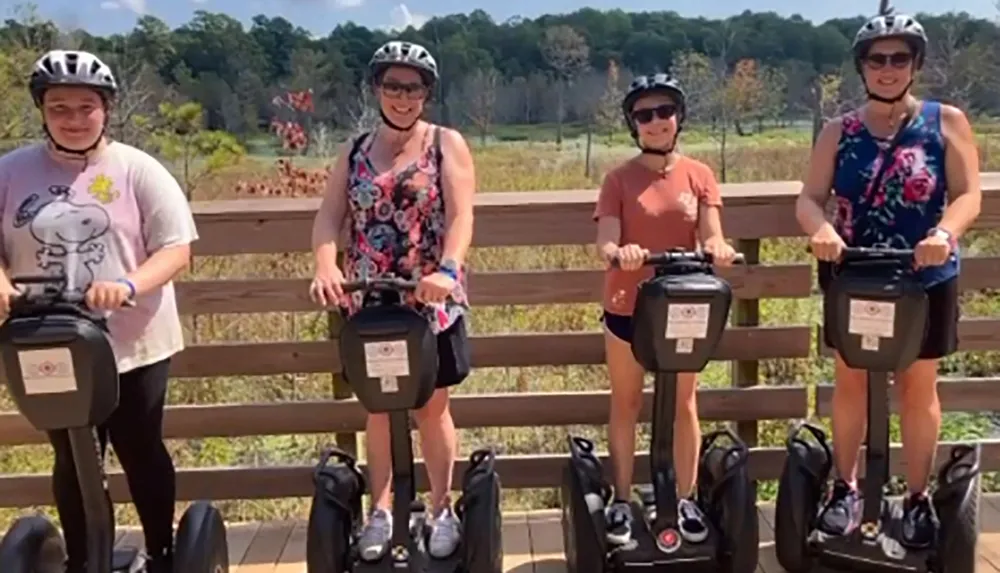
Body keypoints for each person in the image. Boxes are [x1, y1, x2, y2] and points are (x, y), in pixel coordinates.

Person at [0, 50, 198, 572]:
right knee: (72, 456)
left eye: (84, 106)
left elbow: (176, 248)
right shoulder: (11, 171)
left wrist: (128, 284)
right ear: (41, 109)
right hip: (47, 339)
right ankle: (88, 558)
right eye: (58, 106)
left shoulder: (137, 170)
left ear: (105, 109)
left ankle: (160, 551)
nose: (72, 117)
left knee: (139, 447)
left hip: (133, 341)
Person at [795, 12, 981, 549]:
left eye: (899, 58)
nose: (888, 68)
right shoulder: (840, 130)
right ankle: (845, 488)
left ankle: (918, 495)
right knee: (850, 380)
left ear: (915, 63)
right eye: (877, 58)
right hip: (857, 273)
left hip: (925, 276)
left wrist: (944, 234)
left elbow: (969, 194)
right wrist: (822, 229)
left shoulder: (946, 121)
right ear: (862, 66)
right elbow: (809, 198)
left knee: (918, 387)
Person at [309, 40, 476, 561]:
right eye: (393, 86)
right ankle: (380, 511)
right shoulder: (355, 150)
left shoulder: (446, 144)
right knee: (378, 409)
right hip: (370, 303)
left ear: (427, 92)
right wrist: (324, 265)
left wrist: (447, 269)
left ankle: (441, 507)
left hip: (429, 299)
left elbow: (461, 216)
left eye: (414, 87)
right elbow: (329, 217)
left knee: (432, 407)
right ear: (377, 88)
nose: (403, 97)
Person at [593, 73, 737, 546]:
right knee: (627, 402)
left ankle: (685, 496)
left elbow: (711, 232)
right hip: (628, 305)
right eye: (644, 115)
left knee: (683, 403)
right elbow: (606, 240)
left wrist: (718, 248)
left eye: (664, 112)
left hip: (683, 306)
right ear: (632, 123)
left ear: (678, 118)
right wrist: (622, 251)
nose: (655, 122)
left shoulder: (699, 175)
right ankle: (619, 496)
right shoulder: (618, 179)